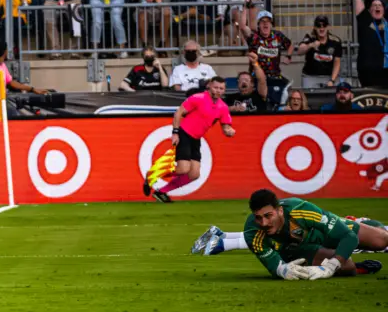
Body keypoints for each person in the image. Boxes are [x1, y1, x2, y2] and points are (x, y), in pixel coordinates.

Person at [191, 194, 387, 280]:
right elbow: (273, 266)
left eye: (268, 216)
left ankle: (354, 220)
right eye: (258, 218)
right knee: (348, 267)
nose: (264, 223)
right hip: (298, 249)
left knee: (381, 240)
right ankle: (359, 268)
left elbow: (349, 237)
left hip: (324, 232)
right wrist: (283, 270)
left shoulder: (301, 210)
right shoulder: (253, 231)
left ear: (280, 211)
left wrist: (331, 265)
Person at [145, 75, 235, 203]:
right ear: (209, 86)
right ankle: (152, 175)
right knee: (183, 169)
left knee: (194, 174)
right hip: (184, 134)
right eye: (216, 87)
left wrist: (228, 131)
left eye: (221, 88)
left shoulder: (223, 107)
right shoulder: (198, 98)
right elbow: (178, 113)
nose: (218, 91)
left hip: (196, 139)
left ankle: (161, 192)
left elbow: (225, 126)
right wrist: (175, 133)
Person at [0, 39, 47, 116]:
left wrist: (32, 89)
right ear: (5, 52)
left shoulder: (2, 65)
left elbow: (12, 82)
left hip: (1, 104)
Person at [350, 0, 388, 88]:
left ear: (383, 9)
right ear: (369, 9)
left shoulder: (387, 23)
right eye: (374, 5)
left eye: (379, 5)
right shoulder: (365, 20)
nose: (377, 7)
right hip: (367, 71)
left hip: (385, 70)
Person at [297, 15, 343, 89]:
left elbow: (337, 63)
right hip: (310, 77)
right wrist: (311, 45)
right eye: (319, 26)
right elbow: (299, 51)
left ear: (328, 27)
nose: (321, 29)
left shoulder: (335, 41)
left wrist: (332, 80)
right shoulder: (310, 38)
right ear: (315, 27)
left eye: (324, 25)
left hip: (329, 77)